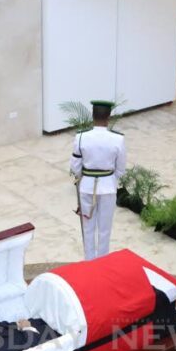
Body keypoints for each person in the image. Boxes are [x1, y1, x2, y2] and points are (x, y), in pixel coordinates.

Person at [70, 100, 126, 260]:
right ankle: (102, 262)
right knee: (105, 228)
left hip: (87, 187)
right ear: (108, 117)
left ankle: (89, 261)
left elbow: (75, 167)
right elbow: (121, 168)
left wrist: (86, 178)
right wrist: (109, 180)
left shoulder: (81, 137)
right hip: (108, 187)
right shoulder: (118, 139)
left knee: (88, 227)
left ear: (92, 116)